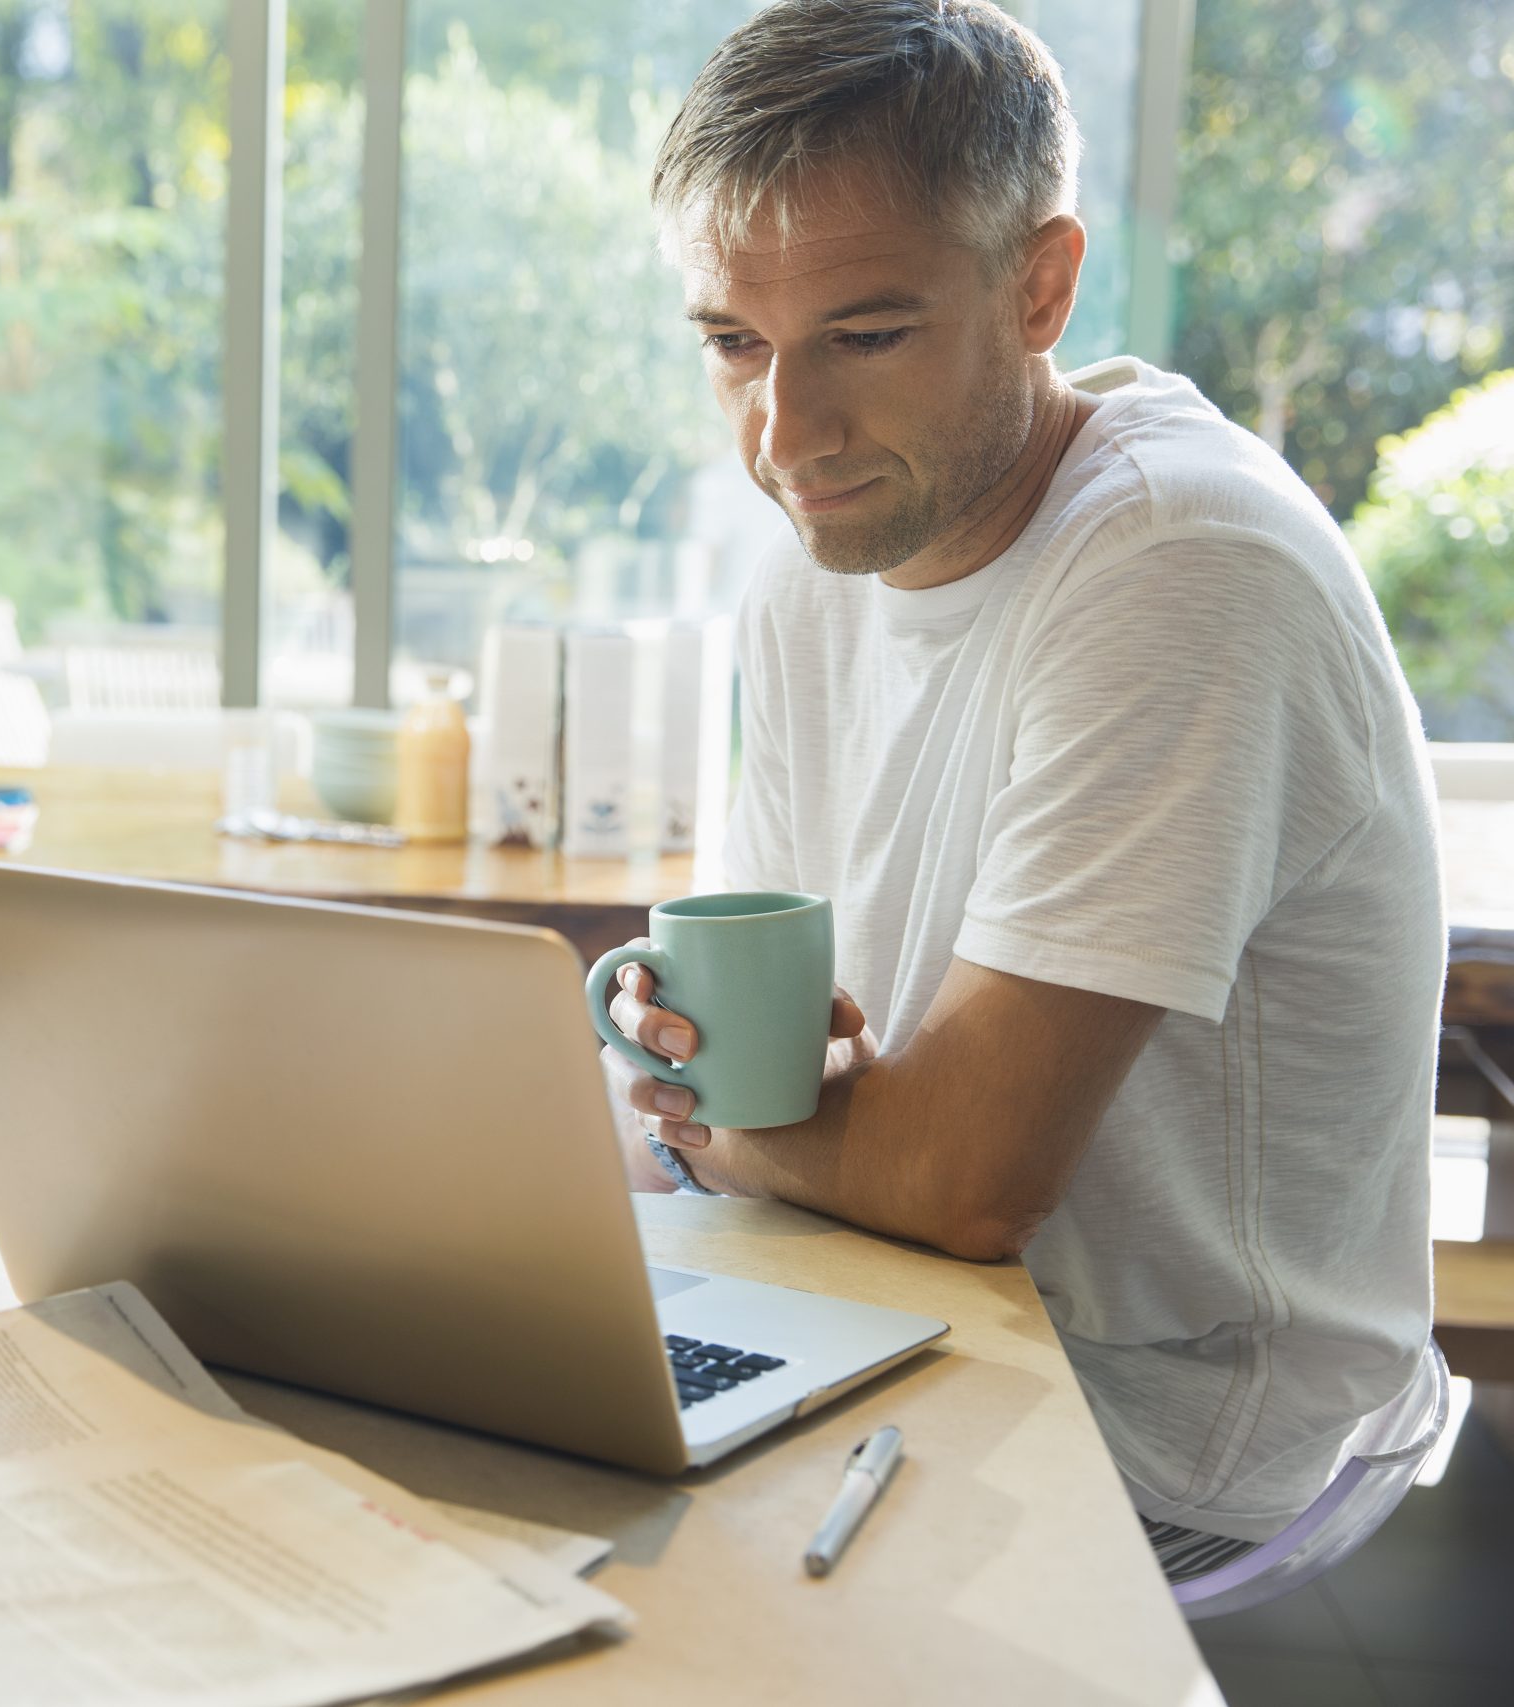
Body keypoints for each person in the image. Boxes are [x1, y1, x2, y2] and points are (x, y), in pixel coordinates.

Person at [603, 0, 1442, 1579]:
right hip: (874, 1310)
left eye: (866, 335)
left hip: (1165, 1427)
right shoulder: (817, 568)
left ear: (1041, 286)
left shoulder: (1184, 562)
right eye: (734, 344)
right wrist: (714, 1101)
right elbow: (768, 1081)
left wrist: (718, 1124)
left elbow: (956, 1181)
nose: (787, 438)